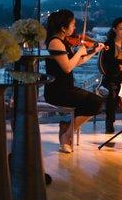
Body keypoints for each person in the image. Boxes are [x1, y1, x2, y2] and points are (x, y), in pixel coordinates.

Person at [44, 9, 105, 153]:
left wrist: (94, 51)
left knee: (96, 102)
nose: (74, 27)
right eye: (72, 24)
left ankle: (67, 128)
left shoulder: (63, 41)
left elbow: (76, 62)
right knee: (95, 102)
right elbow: (67, 68)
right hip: (57, 91)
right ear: (63, 28)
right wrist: (79, 51)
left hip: (66, 88)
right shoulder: (55, 43)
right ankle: (67, 134)